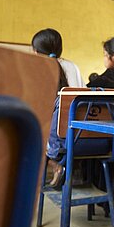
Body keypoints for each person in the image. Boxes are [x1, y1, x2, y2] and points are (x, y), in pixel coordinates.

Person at [31, 28, 85, 188]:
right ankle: (63, 167)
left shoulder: (37, 69)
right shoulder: (73, 66)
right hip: (82, 137)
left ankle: (55, 164)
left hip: (57, 141)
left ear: (36, 51)